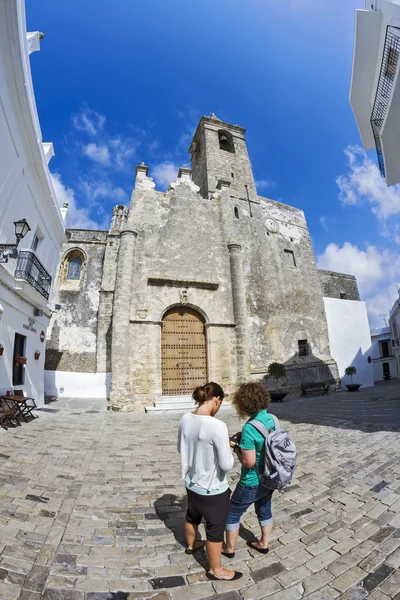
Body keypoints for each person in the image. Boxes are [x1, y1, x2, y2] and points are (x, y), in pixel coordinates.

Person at [178, 382, 243, 582]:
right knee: (215, 527)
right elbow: (225, 465)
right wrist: (231, 447)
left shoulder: (185, 418)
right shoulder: (217, 425)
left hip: (192, 482)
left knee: (192, 515)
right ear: (216, 399)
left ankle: (191, 545)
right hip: (212, 488)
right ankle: (216, 569)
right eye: (220, 403)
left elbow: (181, 448)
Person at [224, 381, 279, 557]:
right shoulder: (273, 419)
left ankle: (229, 549)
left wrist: (235, 447)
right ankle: (263, 543)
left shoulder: (249, 428)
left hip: (252, 480)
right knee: (264, 508)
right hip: (271, 476)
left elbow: (249, 462)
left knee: (232, 514)